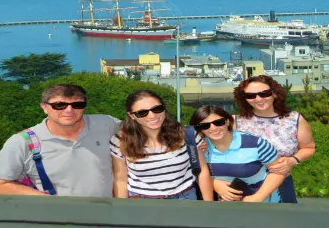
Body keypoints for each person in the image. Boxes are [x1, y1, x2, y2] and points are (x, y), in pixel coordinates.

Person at [0, 84, 119, 197]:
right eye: (59, 105)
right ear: (44, 107)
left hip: (104, 217)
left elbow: (137, 133)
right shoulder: (23, 142)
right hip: (56, 218)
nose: (69, 110)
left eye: (77, 104)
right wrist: (42, 199)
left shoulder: (106, 124)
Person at [110, 90, 214, 200]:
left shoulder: (186, 134)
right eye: (142, 113)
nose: (152, 115)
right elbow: (120, 180)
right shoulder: (120, 141)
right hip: (143, 204)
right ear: (131, 115)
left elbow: (202, 171)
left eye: (157, 109)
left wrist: (208, 206)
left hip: (185, 198)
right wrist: (121, 210)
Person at [229, 75, 316, 203]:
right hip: (243, 184)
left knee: (283, 222)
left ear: (274, 94)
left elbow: (308, 147)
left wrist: (293, 160)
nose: (258, 99)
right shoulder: (235, 121)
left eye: (264, 94)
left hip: (281, 184)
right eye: (251, 96)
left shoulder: (294, 119)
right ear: (244, 99)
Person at [190, 105, 285, 203]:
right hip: (223, 209)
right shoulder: (199, 149)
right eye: (205, 126)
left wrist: (258, 197)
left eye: (218, 122)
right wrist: (213, 183)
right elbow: (190, 174)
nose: (213, 128)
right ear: (199, 129)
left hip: (262, 205)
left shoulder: (255, 143)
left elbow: (279, 171)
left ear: (227, 121)